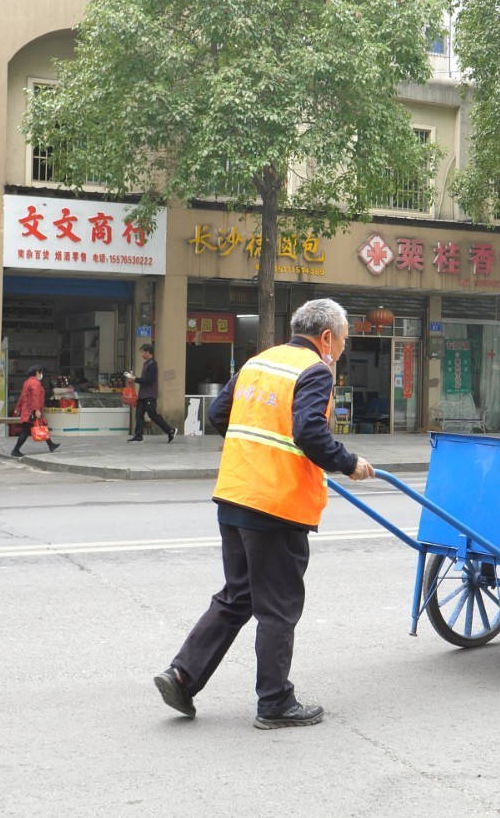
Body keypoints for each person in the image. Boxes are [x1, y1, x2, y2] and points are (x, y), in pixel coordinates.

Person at [153, 299, 375, 730]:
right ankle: (274, 702)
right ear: (326, 337)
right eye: (343, 339)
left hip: (235, 494)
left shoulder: (258, 362)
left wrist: (253, 455)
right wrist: (348, 463)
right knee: (278, 607)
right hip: (276, 505)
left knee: (238, 596)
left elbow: (219, 413)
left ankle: (182, 676)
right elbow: (309, 431)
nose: (342, 348)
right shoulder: (315, 371)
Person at [125, 342, 176, 443]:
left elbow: (149, 380)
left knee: (152, 414)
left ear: (148, 352)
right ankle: (138, 436)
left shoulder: (153, 364)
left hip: (149, 395)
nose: (142, 354)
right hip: (142, 395)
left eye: (143, 352)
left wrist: (135, 379)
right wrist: (134, 379)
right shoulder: (146, 363)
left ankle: (170, 430)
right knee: (139, 415)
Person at [10, 366, 58, 458]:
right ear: (37, 372)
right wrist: (37, 410)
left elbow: (22, 396)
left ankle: (51, 445)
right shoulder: (36, 383)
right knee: (25, 431)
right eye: (40, 372)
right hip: (32, 411)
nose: (41, 374)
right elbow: (35, 397)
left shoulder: (27, 382)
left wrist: (18, 408)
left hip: (27, 410)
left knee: (41, 426)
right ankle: (15, 450)